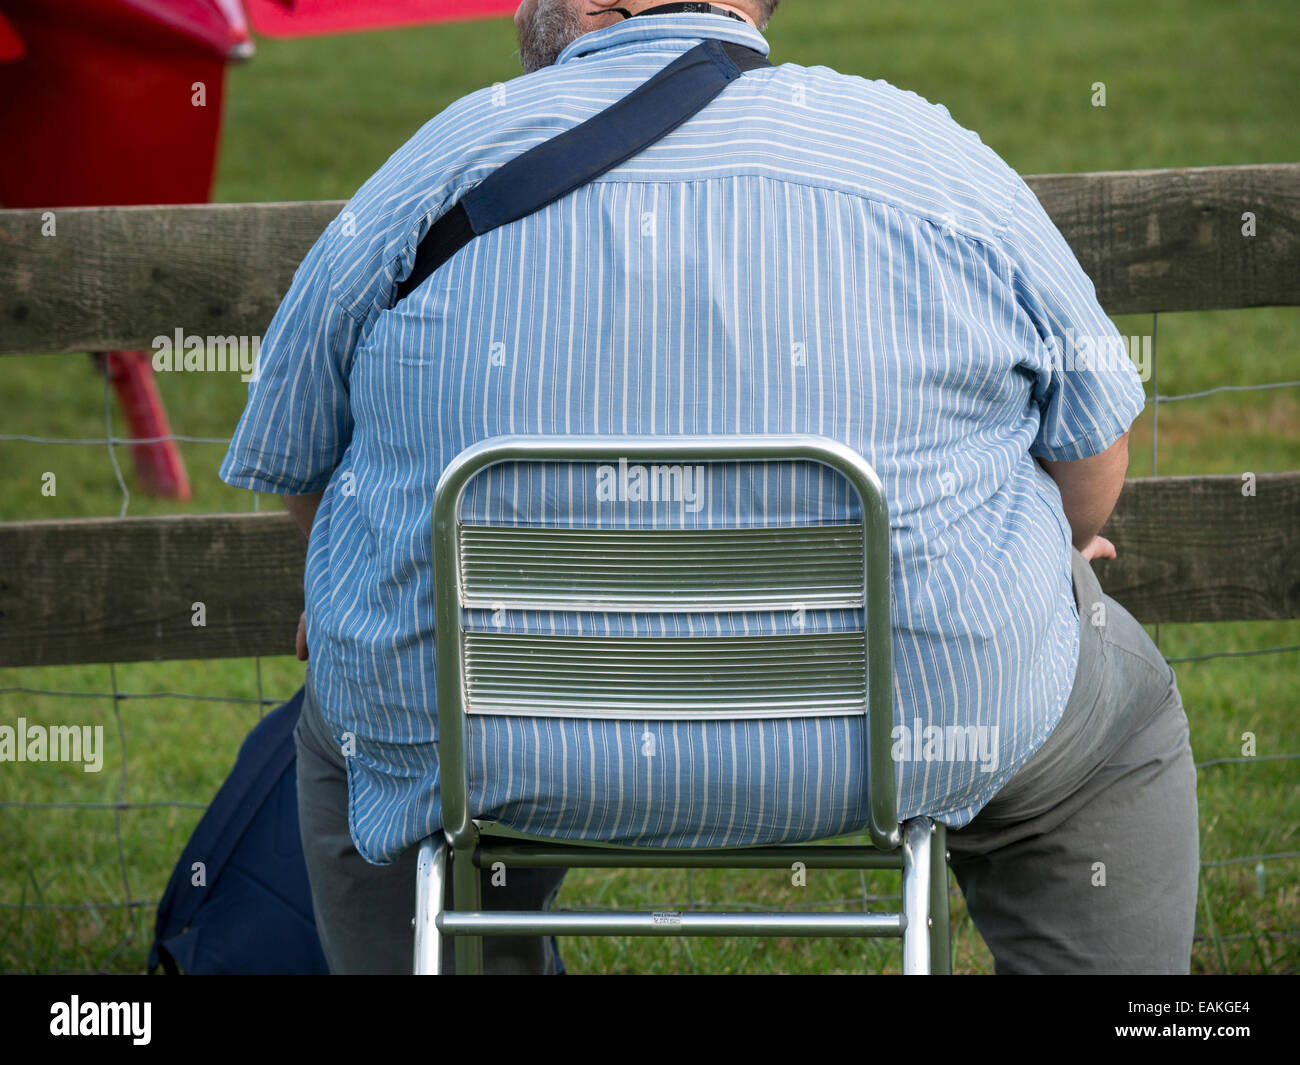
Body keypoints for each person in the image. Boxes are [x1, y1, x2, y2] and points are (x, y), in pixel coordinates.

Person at [220, 0, 1197, 974]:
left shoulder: (434, 160)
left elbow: (300, 454)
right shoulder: (922, 151)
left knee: (359, 744)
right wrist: (1053, 551)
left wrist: (348, 581)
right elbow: (1091, 450)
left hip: (487, 733)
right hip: (915, 723)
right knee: (1115, 725)